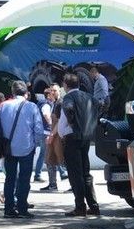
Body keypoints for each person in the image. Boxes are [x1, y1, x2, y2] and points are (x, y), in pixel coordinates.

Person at [0, 80, 44, 218]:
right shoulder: (32, 107)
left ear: (12, 92)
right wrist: (34, 144)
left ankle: (8, 209)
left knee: (9, 179)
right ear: (26, 93)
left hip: (8, 148)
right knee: (24, 179)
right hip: (26, 148)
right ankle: (22, 208)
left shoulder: (3, 106)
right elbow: (39, 130)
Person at [60, 73, 101, 217]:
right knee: (85, 172)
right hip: (86, 137)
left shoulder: (68, 97)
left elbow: (69, 109)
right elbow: (99, 105)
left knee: (75, 174)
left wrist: (72, 123)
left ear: (65, 84)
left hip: (72, 138)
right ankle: (93, 206)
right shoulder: (89, 97)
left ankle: (80, 207)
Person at [39, 84, 65, 192]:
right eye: (51, 91)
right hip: (54, 135)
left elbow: (59, 122)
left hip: (58, 136)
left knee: (64, 161)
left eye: (55, 90)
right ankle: (52, 184)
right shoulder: (54, 103)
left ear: (59, 91)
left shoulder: (60, 103)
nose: (52, 92)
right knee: (50, 160)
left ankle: (75, 185)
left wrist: (52, 135)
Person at [33, 86, 52, 183]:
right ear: (48, 95)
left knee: (45, 153)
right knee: (44, 153)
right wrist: (51, 124)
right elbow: (46, 115)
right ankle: (37, 175)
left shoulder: (39, 103)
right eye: (52, 93)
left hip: (41, 131)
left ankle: (62, 172)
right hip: (46, 132)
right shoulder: (46, 104)